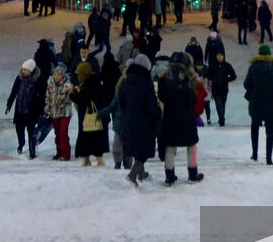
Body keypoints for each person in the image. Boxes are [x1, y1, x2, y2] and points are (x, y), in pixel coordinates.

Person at [108, 53, 160, 186]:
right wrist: (157, 114)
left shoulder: (125, 82)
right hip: (144, 122)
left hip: (128, 120)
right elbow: (151, 105)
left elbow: (121, 102)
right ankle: (132, 175)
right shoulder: (146, 83)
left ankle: (141, 173)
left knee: (136, 147)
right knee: (143, 149)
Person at [158, 53, 202, 185]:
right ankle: (193, 174)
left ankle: (169, 176)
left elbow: (161, 97)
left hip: (170, 117)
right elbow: (192, 100)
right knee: (191, 145)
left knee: (170, 146)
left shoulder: (165, 78)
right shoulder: (189, 79)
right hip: (186, 118)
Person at [243, 45, 273, 163]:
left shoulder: (253, 68)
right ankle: (269, 158)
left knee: (254, 127)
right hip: (271, 105)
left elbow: (246, 84)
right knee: (270, 131)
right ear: (270, 55)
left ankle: (255, 154)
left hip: (255, 103)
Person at [72, 62, 109, 165]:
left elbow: (85, 98)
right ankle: (95, 159)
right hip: (98, 114)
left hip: (91, 115)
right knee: (95, 138)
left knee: (87, 137)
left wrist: (73, 95)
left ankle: (88, 160)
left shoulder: (89, 83)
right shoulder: (95, 81)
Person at [6, 60, 43, 158]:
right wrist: (9, 104)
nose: (23, 71)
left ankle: (32, 150)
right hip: (20, 109)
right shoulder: (19, 78)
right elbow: (14, 91)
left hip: (32, 111)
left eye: (26, 70)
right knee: (19, 129)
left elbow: (41, 97)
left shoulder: (38, 80)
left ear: (31, 71)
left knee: (31, 131)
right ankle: (21, 144)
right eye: (23, 69)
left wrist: (41, 111)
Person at [44, 63, 74, 160]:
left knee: (63, 133)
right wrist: (47, 110)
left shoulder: (67, 85)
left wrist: (65, 98)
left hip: (65, 112)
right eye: (55, 74)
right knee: (57, 133)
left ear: (63, 75)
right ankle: (59, 152)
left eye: (59, 74)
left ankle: (66, 154)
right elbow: (48, 98)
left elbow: (71, 99)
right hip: (54, 112)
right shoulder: (50, 85)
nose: (56, 76)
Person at [204, 51, 237, 127]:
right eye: (218, 55)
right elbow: (208, 76)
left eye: (221, 55)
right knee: (218, 105)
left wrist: (227, 80)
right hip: (215, 89)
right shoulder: (212, 66)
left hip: (224, 89)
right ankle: (222, 120)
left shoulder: (227, 65)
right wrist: (213, 79)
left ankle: (221, 119)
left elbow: (234, 76)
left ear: (223, 56)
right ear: (216, 56)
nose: (220, 57)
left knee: (222, 105)